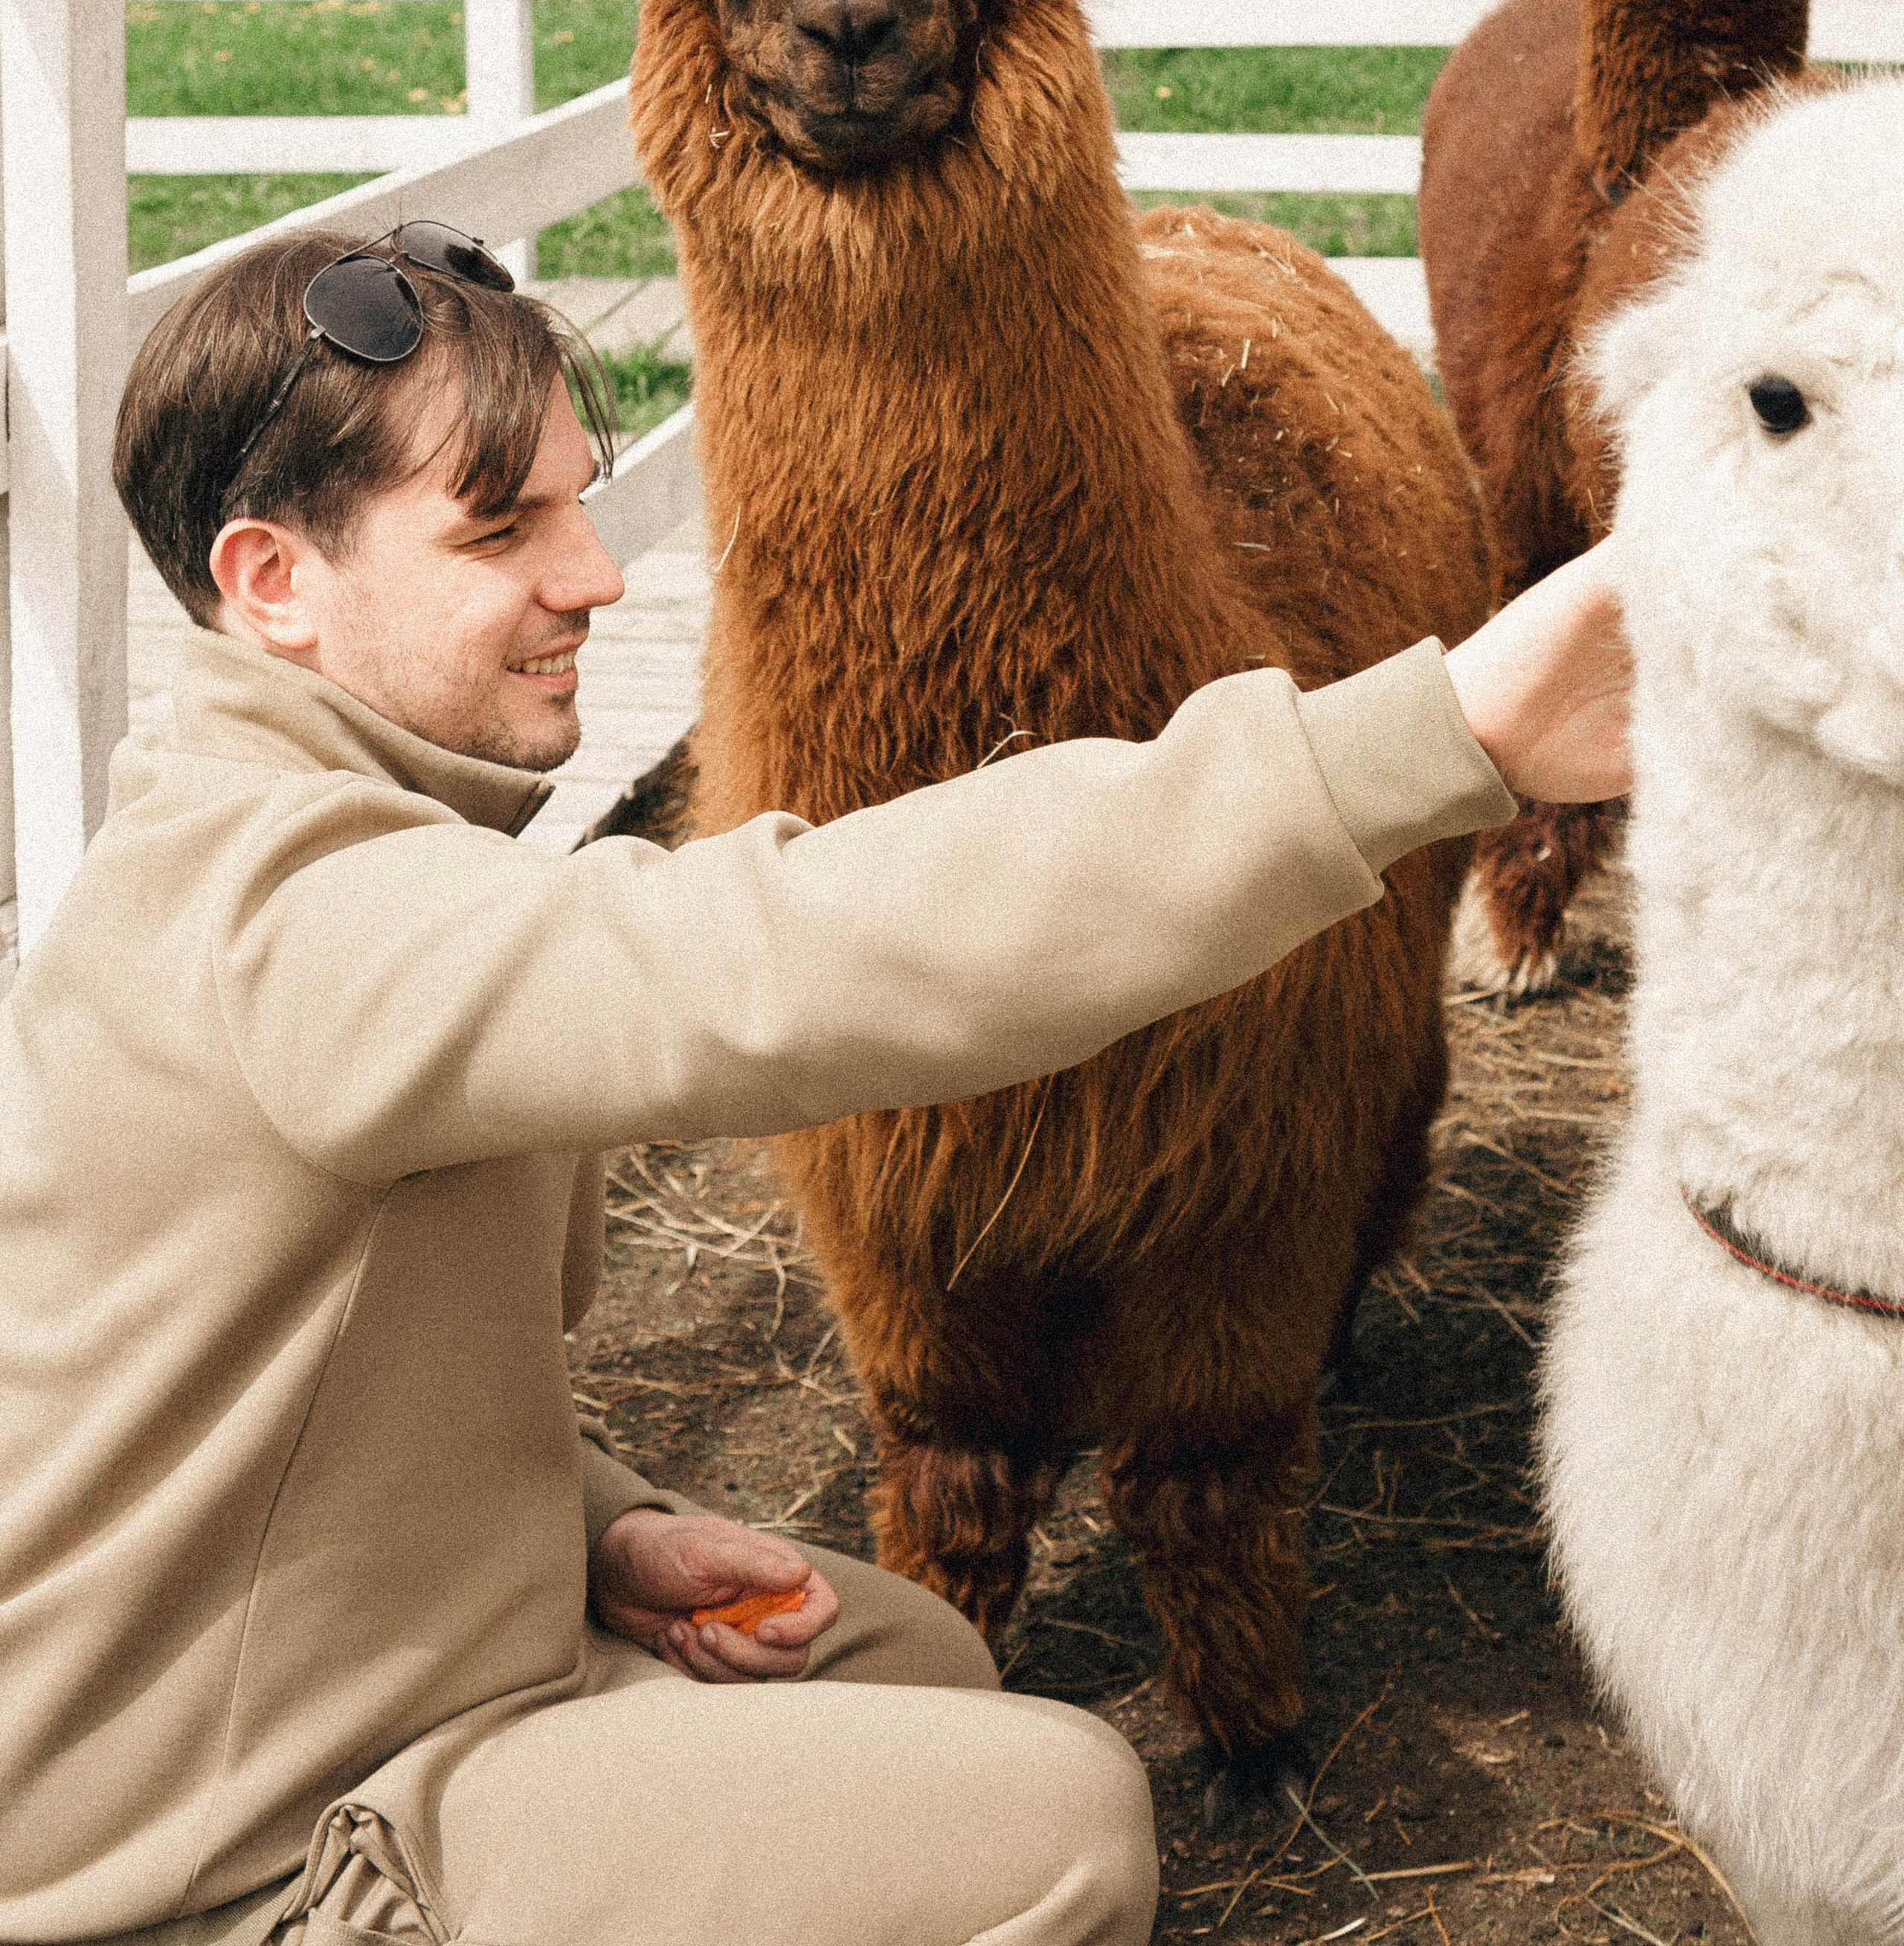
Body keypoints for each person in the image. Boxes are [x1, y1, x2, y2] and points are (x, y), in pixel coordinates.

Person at [0, 223, 1632, 1946]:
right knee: (1059, 1819)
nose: (594, 575)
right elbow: (801, 951)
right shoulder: (294, 927)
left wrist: (599, 1527)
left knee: (911, 1659)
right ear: (271, 582)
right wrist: (1434, 738)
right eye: (500, 530)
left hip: (386, 1675)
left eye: (574, 506)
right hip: (233, 1837)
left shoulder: (325, 863)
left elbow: (299, 1387)